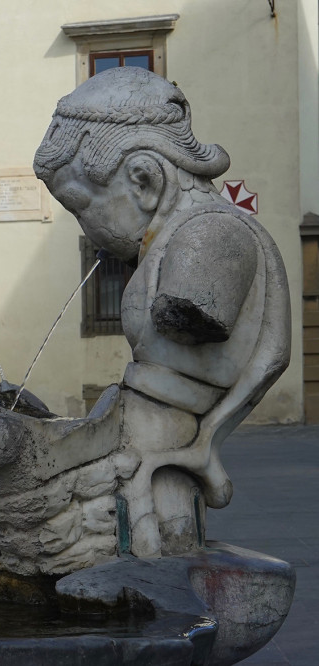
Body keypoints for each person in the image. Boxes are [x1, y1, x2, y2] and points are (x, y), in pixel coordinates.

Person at [31, 66, 291, 556]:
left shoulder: (210, 236)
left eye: (81, 206)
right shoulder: (175, 238)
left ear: (144, 179)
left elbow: (193, 319)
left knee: (156, 565)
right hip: (143, 449)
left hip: (161, 458)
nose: (85, 229)